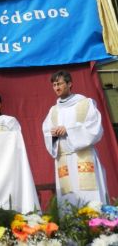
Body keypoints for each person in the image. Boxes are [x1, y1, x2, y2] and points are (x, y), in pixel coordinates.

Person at [42, 70, 108, 208]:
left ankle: (97, 227)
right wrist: (54, 134)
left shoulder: (85, 103)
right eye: (54, 85)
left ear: (69, 84)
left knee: (90, 198)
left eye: (59, 84)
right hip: (64, 159)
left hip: (83, 157)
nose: (57, 88)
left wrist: (68, 130)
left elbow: (94, 128)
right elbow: (47, 131)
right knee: (69, 199)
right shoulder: (54, 110)